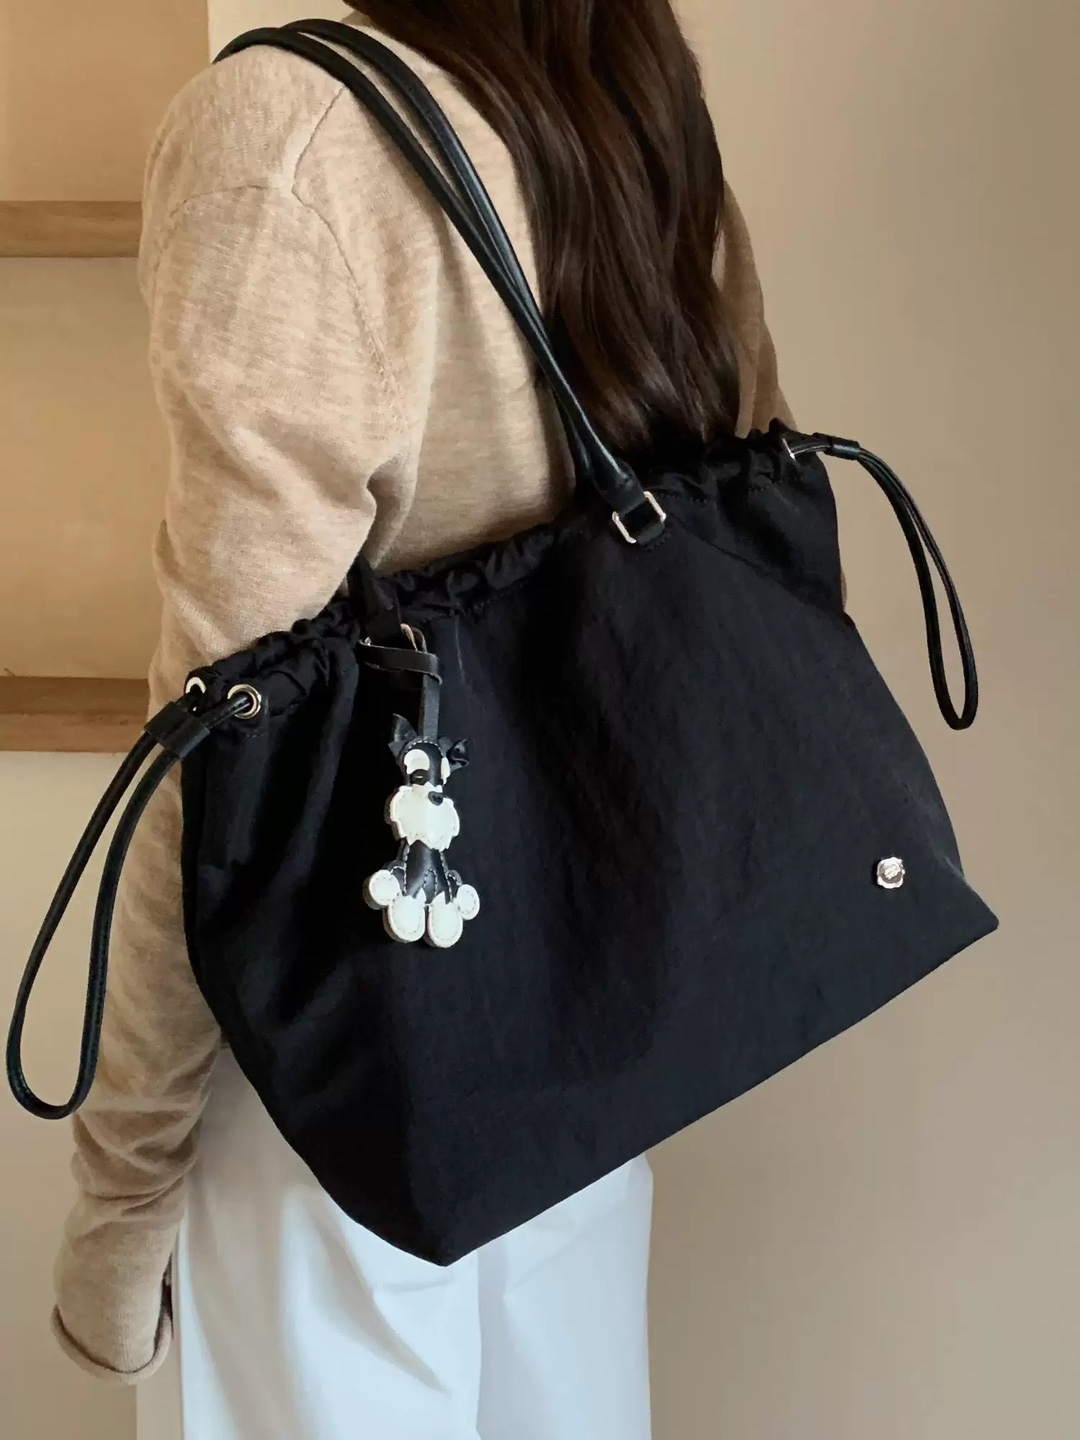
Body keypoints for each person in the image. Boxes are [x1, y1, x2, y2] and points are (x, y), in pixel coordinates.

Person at [51, 4, 790, 1435]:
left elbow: (220, 753)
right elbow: (744, 543)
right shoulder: (627, 102)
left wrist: (125, 1190)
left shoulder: (294, 131)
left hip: (330, 1068)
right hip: (586, 1030)